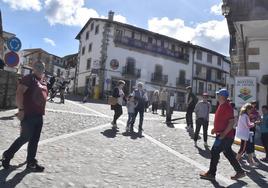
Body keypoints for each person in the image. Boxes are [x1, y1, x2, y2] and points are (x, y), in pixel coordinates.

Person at [2, 61, 48, 172]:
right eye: (38, 67)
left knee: (34, 140)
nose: (40, 69)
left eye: (42, 67)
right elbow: (19, 93)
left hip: (39, 115)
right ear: (34, 68)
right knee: (25, 138)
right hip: (28, 114)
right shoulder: (29, 78)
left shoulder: (42, 81)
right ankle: (7, 155)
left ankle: (31, 162)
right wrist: (21, 110)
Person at [200, 88, 245, 180]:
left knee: (214, 151)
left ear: (222, 96)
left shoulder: (227, 107)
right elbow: (222, 121)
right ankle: (240, 172)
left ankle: (211, 174)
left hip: (225, 136)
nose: (217, 96)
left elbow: (231, 122)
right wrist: (214, 129)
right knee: (228, 154)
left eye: (218, 95)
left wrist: (223, 134)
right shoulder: (221, 105)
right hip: (224, 135)